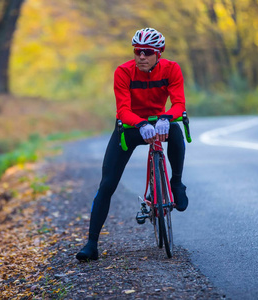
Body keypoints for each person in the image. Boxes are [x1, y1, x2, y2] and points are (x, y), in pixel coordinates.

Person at [76, 27, 189, 261]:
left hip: (160, 124)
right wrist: (140, 124)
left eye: (147, 52)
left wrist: (166, 118)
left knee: (176, 131)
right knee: (107, 184)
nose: (141, 57)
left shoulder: (172, 69)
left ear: (159, 53)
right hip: (132, 127)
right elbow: (123, 111)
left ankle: (176, 183)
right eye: (137, 51)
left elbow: (179, 104)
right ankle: (91, 243)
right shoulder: (123, 72)